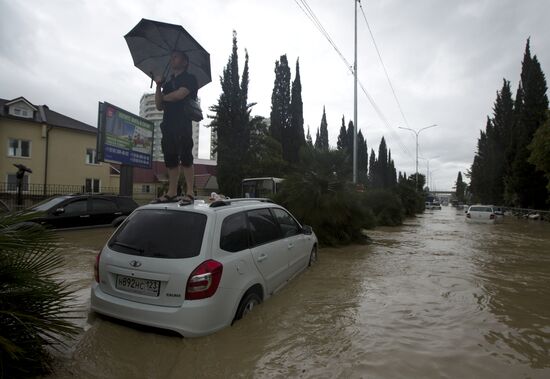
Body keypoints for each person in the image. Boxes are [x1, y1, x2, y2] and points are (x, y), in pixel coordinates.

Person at [152, 50, 198, 203]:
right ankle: (172, 192)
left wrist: (165, 97)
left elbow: (180, 94)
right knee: (170, 157)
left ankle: (190, 192)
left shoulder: (190, 79)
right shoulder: (167, 83)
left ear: (185, 62)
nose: (172, 59)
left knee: (186, 156)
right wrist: (158, 86)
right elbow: (159, 106)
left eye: (176, 57)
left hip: (183, 122)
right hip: (168, 124)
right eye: (172, 57)